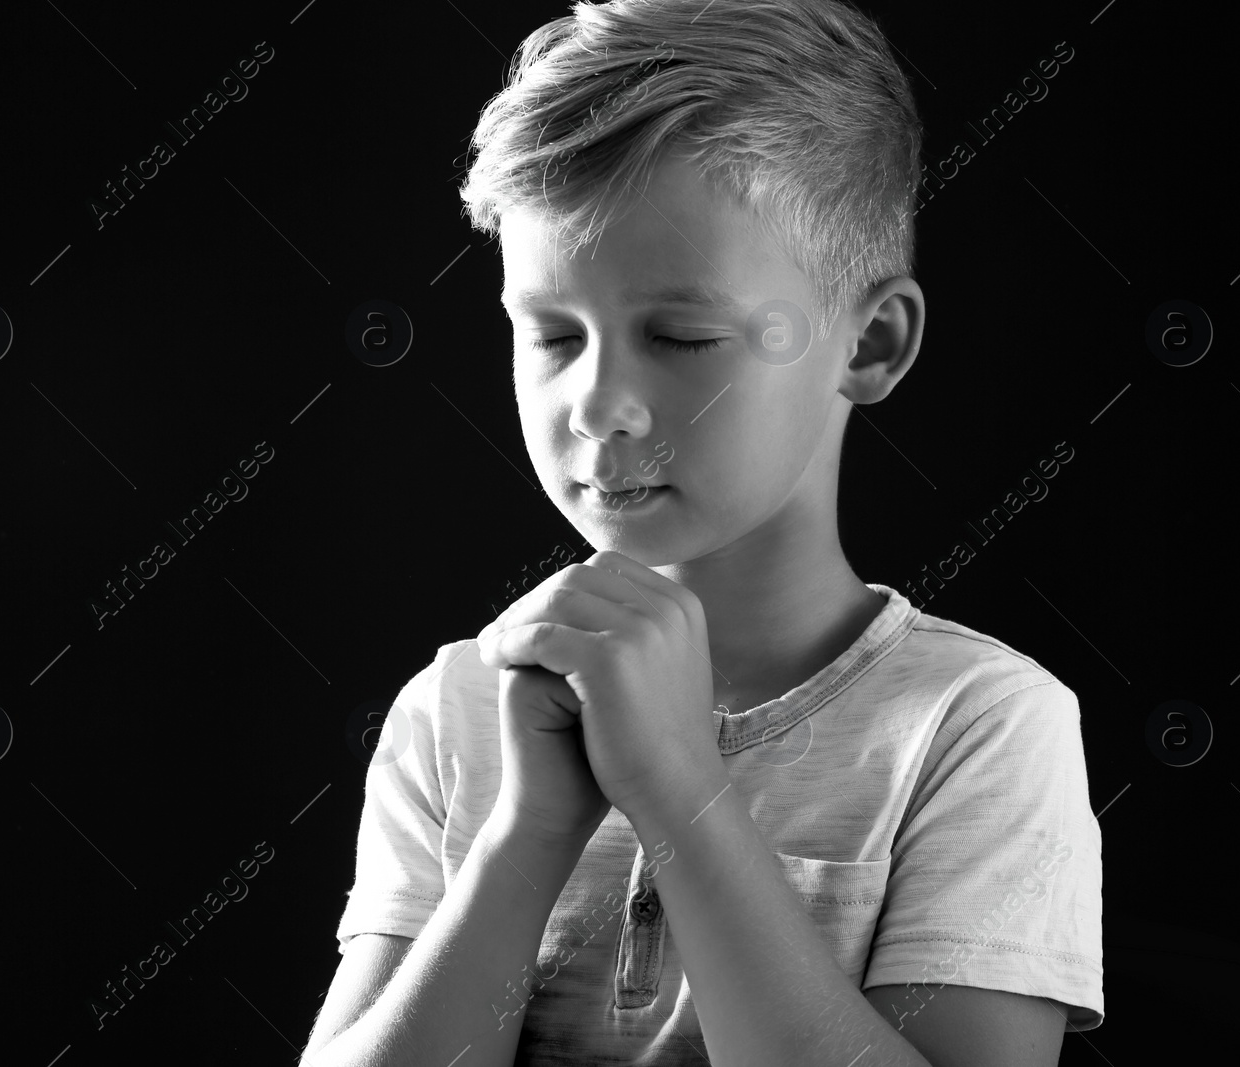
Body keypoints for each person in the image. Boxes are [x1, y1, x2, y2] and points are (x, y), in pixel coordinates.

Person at [303, 1, 1102, 1063]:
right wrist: (529, 828)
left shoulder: (977, 726)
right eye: (550, 334)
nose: (595, 405)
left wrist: (678, 783)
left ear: (867, 343)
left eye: (679, 336)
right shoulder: (457, 710)